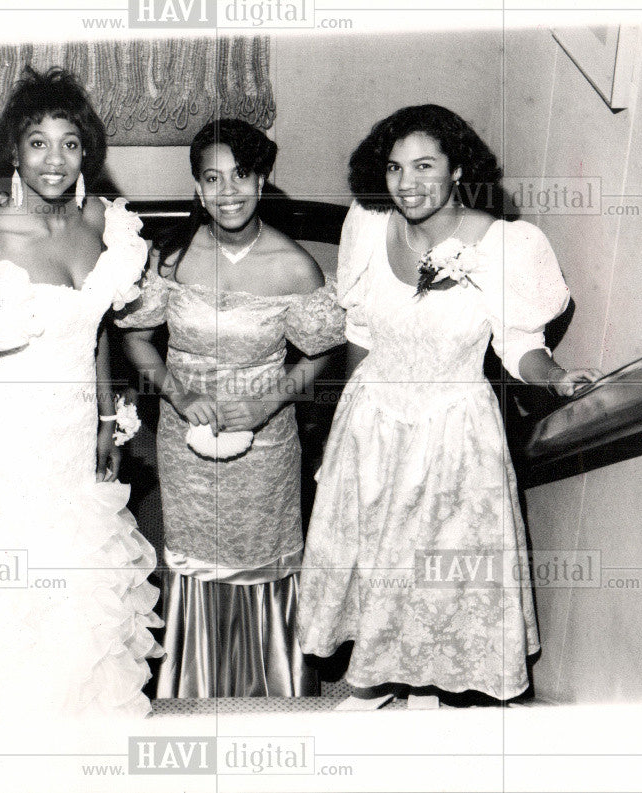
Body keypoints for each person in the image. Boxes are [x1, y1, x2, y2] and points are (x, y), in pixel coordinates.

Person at [296, 105, 600, 709]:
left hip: (453, 430)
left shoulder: (506, 244)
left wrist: (557, 377)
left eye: (425, 165)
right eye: (394, 167)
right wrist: (338, 440)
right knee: (378, 558)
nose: (406, 182)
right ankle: (381, 679)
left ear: (458, 169)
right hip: (374, 421)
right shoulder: (366, 223)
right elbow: (360, 333)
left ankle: (404, 686)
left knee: (434, 566)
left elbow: (521, 346)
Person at [0, 67, 163, 721]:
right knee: (34, 577)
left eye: (70, 142)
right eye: (38, 143)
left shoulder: (104, 223)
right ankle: (29, 727)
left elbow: (97, 324)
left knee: (88, 574)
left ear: (86, 151)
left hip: (80, 430)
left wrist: (109, 414)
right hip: (19, 438)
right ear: (13, 152)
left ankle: (91, 730)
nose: (55, 159)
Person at [115, 119, 345, 698]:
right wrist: (180, 394)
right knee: (193, 556)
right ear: (196, 188)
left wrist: (268, 403)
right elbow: (136, 339)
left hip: (266, 440)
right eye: (212, 179)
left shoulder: (296, 266)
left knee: (261, 555)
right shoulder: (169, 259)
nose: (228, 192)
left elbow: (321, 351)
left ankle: (271, 686)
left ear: (262, 179)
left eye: (241, 175)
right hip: (183, 434)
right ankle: (191, 686)